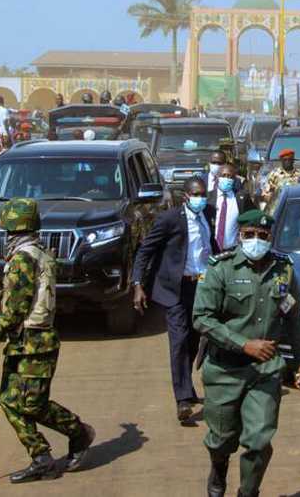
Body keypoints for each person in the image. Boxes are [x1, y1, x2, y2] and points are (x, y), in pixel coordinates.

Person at [192, 209, 300, 497]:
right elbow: (201, 318)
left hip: (265, 371)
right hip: (224, 370)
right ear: (239, 236)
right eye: (249, 235)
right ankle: (218, 468)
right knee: (221, 439)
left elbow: (294, 317)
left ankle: (248, 492)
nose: (256, 240)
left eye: (262, 235)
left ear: (271, 237)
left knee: (259, 441)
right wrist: (243, 344)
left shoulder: (284, 269)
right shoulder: (221, 269)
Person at [0, 198, 94, 483]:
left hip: (35, 341)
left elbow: (17, 306)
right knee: (8, 400)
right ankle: (40, 456)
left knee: (32, 405)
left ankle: (79, 433)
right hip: (26, 340)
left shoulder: (23, 258)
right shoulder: (38, 251)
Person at [131, 177, 211, 423]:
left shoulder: (208, 215)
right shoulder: (169, 219)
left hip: (201, 287)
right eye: (196, 194)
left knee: (194, 341)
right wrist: (138, 285)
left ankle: (187, 386)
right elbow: (146, 251)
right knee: (179, 340)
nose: (200, 198)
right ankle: (183, 400)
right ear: (186, 196)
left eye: (203, 194)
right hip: (175, 288)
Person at [207, 162, 254, 251]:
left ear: (234, 179)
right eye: (223, 175)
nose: (227, 179)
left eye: (230, 177)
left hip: (233, 250)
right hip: (211, 251)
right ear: (217, 177)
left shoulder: (241, 198)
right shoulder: (208, 198)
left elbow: (251, 219)